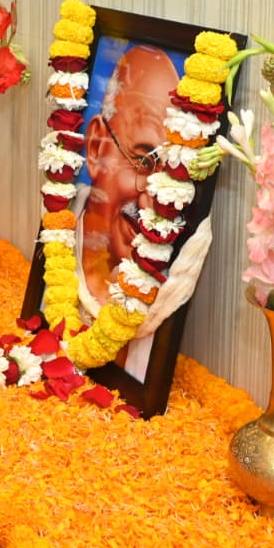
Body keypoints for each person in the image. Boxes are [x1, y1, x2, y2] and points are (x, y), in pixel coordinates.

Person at [75, 44, 179, 377]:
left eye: (170, 176)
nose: (153, 201)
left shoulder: (172, 285)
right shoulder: (55, 236)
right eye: (144, 161)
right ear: (96, 148)